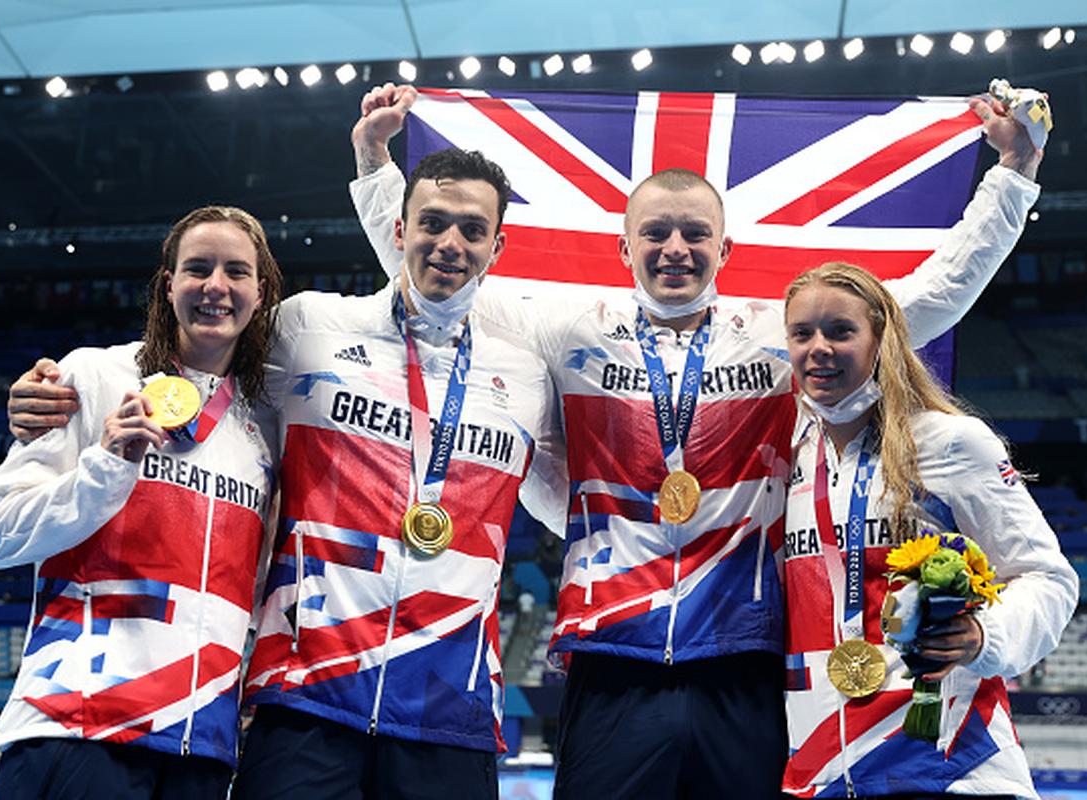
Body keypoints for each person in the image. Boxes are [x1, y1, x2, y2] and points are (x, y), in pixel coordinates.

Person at [341, 82, 1047, 798]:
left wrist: (1012, 178)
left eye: (694, 234)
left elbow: (927, 299)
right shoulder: (565, 329)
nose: (674, 249)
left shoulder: (781, 335)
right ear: (624, 246)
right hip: (611, 655)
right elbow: (439, 280)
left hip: (741, 661)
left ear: (724, 247)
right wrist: (376, 169)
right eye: (655, 233)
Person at [4, 150, 566, 798]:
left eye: (471, 230)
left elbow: (568, 503)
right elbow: (204, 348)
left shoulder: (526, 376)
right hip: (303, 702)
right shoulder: (311, 327)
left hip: (448, 708)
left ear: (498, 246)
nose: (449, 243)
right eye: (432, 223)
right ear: (398, 231)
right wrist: (67, 388)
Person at [0, 206, 282, 800]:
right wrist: (107, 463)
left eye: (235, 272)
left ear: (259, 292)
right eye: (198, 268)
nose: (216, 286)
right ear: (168, 286)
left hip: (200, 745)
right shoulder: (92, 375)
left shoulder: (266, 426)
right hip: (77, 726)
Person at [779, 261, 1077, 798]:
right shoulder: (787, 462)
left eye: (841, 331)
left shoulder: (952, 442)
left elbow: (1049, 579)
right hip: (822, 774)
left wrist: (985, 635)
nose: (818, 347)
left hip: (953, 768)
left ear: (882, 341)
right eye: (803, 333)